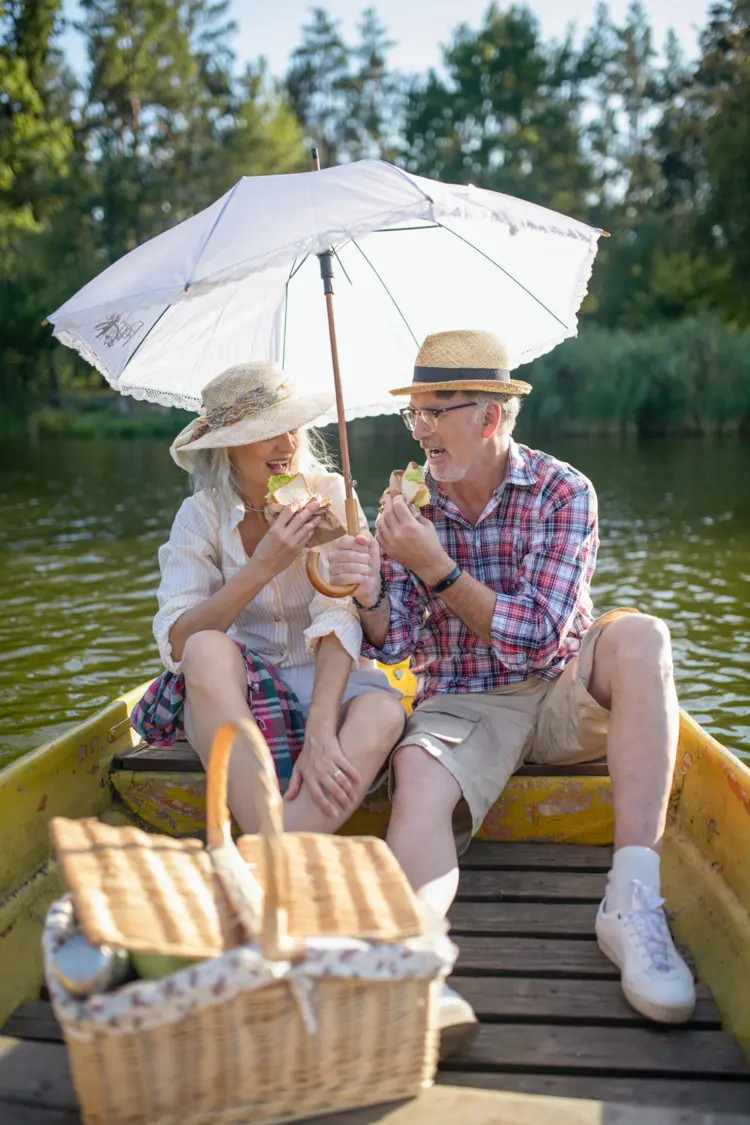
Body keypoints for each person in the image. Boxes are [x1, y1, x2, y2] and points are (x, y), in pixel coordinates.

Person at [327, 328, 696, 1032]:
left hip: (561, 690)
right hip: (464, 701)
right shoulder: (406, 509)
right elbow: (399, 641)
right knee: (417, 769)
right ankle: (420, 958)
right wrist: (373, 588)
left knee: (643, 636)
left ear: (489, 417)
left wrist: (436, 565)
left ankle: (631, 900)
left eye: (437, 410)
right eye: (415, 413)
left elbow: (541, 636)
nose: (421, 429)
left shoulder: (564, 492)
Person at [131, 361, 406, 833]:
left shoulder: (331, 496)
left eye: (292, 427)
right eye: (268, 431)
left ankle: (271, 849)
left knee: (382, 711)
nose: (287, 444)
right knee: (205, 647)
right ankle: (278, 847)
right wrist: (264, 566)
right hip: (235, 694)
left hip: (329, 681)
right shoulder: (200, 516)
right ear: (228, 447)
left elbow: (341, 616)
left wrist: (321, 731)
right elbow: (178, 643)